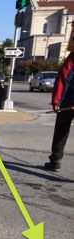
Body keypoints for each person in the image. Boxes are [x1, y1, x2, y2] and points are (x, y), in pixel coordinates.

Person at [46, 24, 74, 172]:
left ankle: (55, 161)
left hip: (68, 102)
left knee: (61, 131)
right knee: (61, 131)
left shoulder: (73, 58)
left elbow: (64, 78)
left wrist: (57, 101)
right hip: (69, 102)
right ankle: (55, 160)